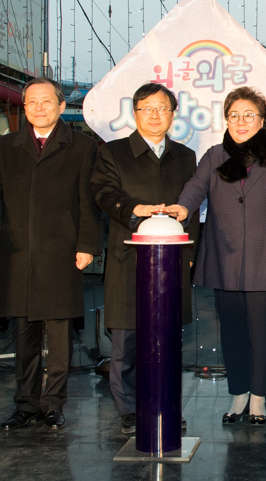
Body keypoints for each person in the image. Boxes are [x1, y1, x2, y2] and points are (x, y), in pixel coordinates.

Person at [0, 77, 100, 431]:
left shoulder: (80, 147)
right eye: (32, 102)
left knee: (59, 340)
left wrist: (87, 245)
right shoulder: (8, 146)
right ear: (24, 108)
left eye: (47, 101)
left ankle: (53, 404)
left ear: (62, 106)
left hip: (62, 253)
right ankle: (26, 404)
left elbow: (87, 201)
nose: (39, 107)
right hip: (18, 255)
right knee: (24, 335)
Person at [167, 86, 266, 425]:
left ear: (262, 119)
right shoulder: (214, 155)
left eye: (249, 116)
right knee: (231, 330)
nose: (241, 122)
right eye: (234, 116)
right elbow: (197, 186)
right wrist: (183, 208)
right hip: (224, 256)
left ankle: (259, 397)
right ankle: (238, 392)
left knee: (262, 330)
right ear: (226, 119)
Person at [90, 82, 198, 435]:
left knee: (167, 339)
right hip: (128, 258)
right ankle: (129, 408)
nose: (155, 115)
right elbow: (103, 193)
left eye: (162, 108)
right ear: (134, 112)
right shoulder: (113, 152)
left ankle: (165, 402)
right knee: (128, 340)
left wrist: (191, 254)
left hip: (172, 260)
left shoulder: (185, 156)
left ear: (173, 114)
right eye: (147, 108)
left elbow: (191, 208)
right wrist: (133, 210)